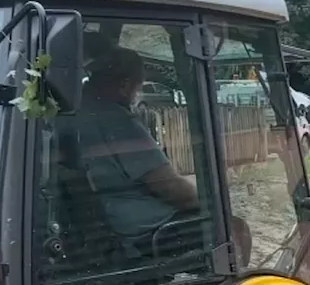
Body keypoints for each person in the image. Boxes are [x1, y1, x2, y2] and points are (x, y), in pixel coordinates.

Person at [74, 47, 251, 263]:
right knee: (236, 228)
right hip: (147, 230)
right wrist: (215, 206)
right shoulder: (118, 122)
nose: (136, 96)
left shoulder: (79, 112)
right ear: (125, 84)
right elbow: (170, 187)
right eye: (138, 88)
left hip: (113, 220)